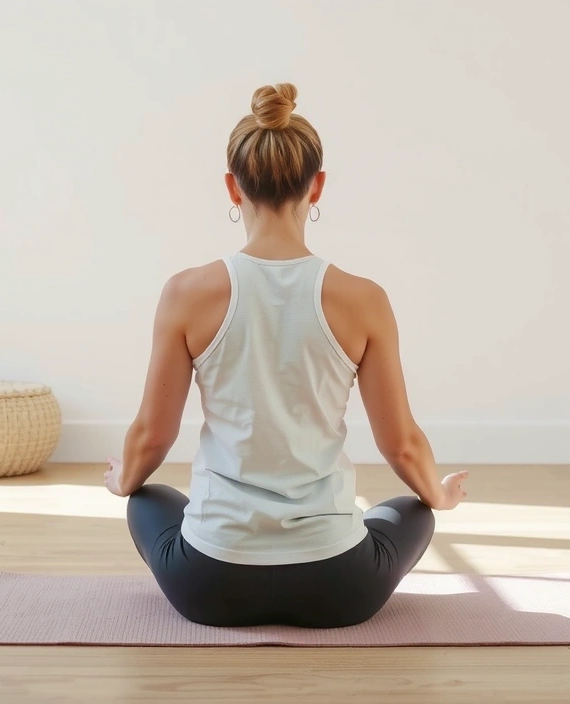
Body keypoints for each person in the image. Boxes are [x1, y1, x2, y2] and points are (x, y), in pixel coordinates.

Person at [104, 83, 469, 628]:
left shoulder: (185, 293)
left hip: (210, 583)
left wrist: (123, 479)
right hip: (338, 585)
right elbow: (402, 443)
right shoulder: (364, 299)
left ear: (233, 188)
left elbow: (152, 436)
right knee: (414, 510)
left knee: (147, 498)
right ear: (317, 186)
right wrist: (438, 495)